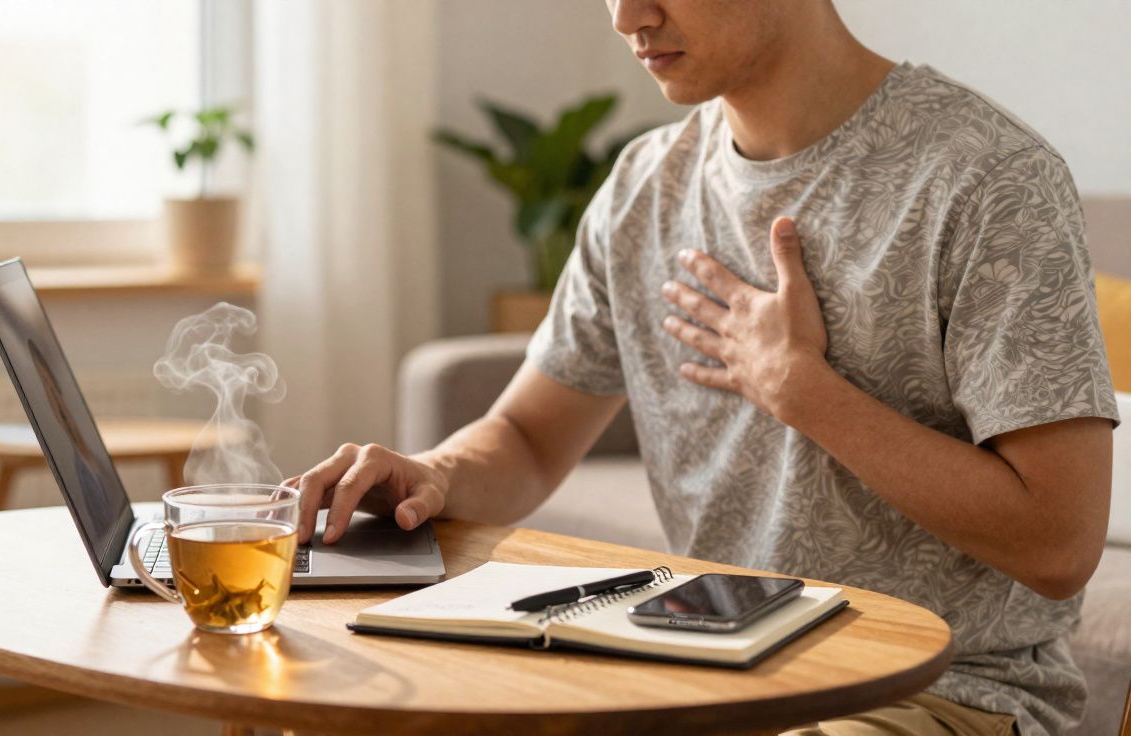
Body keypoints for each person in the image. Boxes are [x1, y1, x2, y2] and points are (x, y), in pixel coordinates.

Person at [288, 2, 1119, 733]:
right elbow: (528, 438)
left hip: (938, 693)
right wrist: (430, 475)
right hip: (696, 676)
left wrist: (805, 393)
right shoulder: (643, 186)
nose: (626, 16)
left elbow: (1060, 541)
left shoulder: (990, 181)